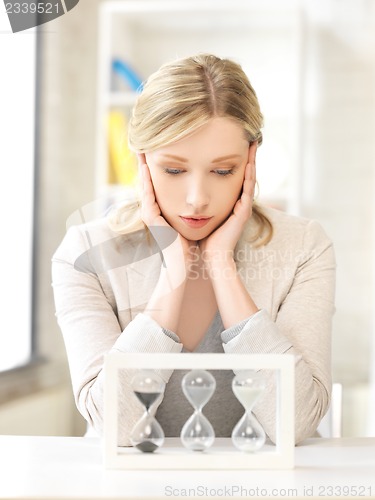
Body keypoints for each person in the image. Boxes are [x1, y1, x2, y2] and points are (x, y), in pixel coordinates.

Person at [52, 53, 336, 446]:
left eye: (223, 171)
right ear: (142, 160)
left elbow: (295, 424)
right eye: (173, 170)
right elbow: (114, 426)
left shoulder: (304, 246)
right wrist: (174, 271)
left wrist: (221, 264)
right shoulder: (85, 253)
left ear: (251, 158)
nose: (197, 199)